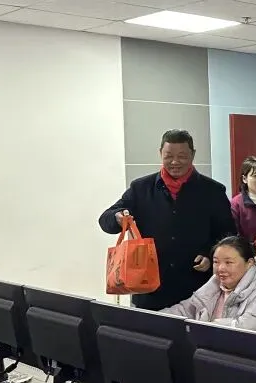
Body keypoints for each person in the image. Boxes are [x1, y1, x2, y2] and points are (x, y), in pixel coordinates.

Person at [98, 130, 235, 310]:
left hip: (197, 291)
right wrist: (117, 217)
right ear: (160, 154)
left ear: (193, 155)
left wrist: (210, 254)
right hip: (149, 291)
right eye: (169, 156)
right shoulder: (141, 188)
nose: (175, 162)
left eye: (182, 156)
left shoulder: (213, 191)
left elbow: (228, 234)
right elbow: (105, 220)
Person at [161, 236, 256, 335]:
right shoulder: (215, 284)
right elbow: (186, 310)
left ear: (249, 263)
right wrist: (153, 319)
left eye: (228, 262)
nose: (220, 268)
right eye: (216, 262)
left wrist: (198, 328)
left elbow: (245, 330)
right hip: (217, 352)